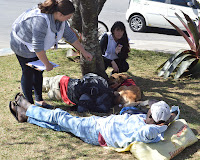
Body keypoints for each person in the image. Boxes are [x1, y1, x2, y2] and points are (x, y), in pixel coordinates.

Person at [9, 93, 179, 148]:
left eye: (149, 111)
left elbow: (151, 130)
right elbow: (175, 112)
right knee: (61, 126)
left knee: (61, 116)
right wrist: (169, 118)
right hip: (99, 125)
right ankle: (27, 117)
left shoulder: (148, 132)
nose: (146, 110)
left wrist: (163, 126)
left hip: (95, 130)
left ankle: (29, 107)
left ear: (152, 118)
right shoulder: (148, 121)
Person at [10, 0, 93, 108]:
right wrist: (47, 64)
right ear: (59, 14)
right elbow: (38, 47)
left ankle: (39, 100)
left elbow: (70, 36)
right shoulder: (41, 21)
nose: (70, 18)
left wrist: (84, 52)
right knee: (28, 72)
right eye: (69, 16)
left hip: (33, 45)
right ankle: (29, 105)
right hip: (21, 44)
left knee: (38, 71)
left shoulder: (60, 20)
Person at [42, 73, 116, 113]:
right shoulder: (93, 93)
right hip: (59, 89)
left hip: (62, 81)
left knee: (40, 84)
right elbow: (81, 109)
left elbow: (88, 75)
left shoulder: (101, 83)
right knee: (39, 84)